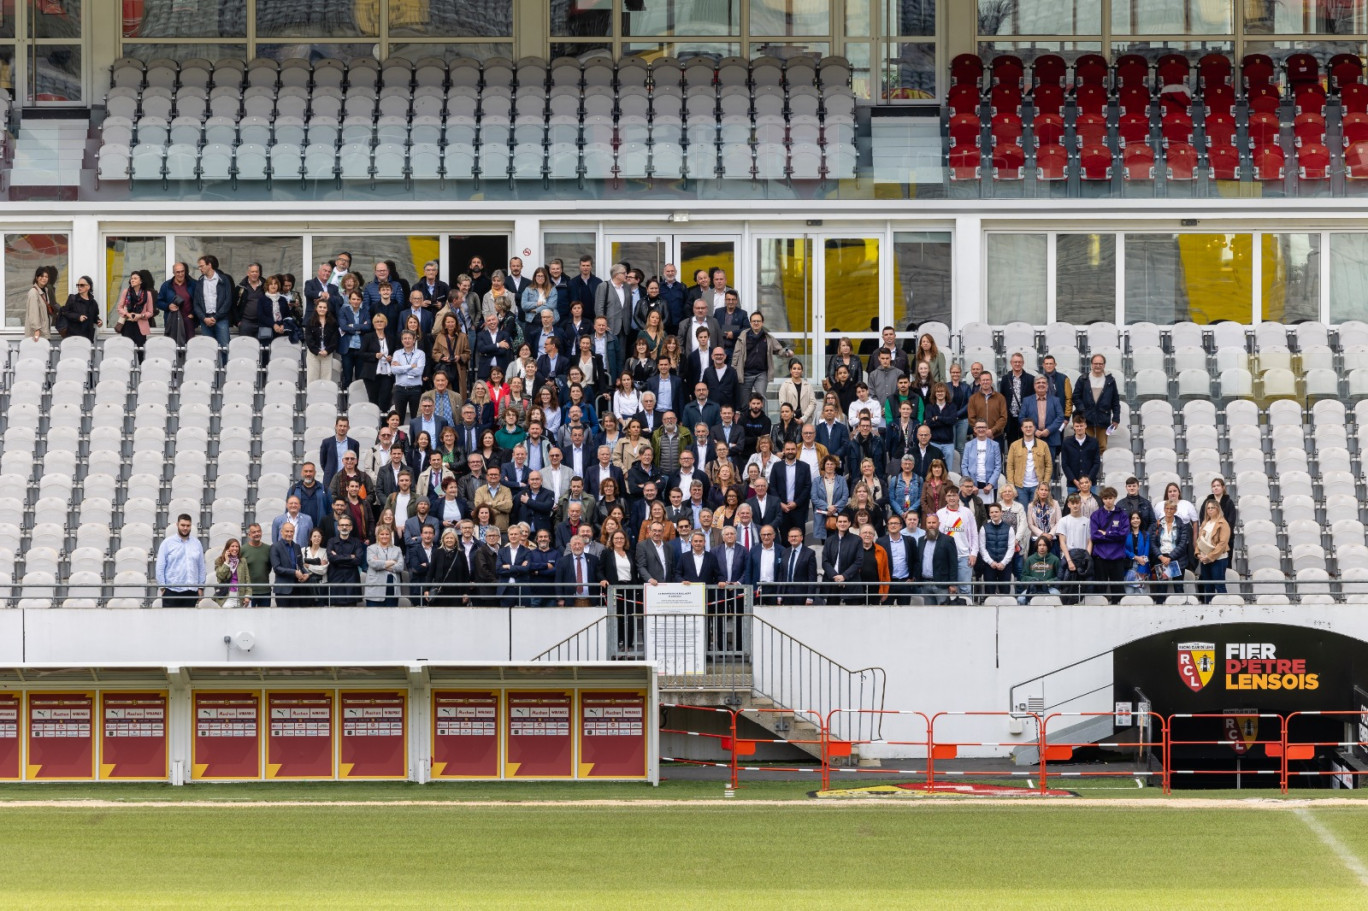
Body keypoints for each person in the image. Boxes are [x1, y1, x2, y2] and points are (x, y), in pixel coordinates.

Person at [936, 487, 979, 605]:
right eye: (949, 496)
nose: (952, 498)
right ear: (945, 498)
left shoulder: (967, 512)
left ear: (958, 497)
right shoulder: (940, 513)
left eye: (954, 495)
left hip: (964, 556)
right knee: (947, 590)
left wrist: (973, 553)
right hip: (946, 558)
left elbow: (974, 534)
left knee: (965, 589)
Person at [1072, 354, 1121, 453]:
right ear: (1091, 365)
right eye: (1095, 363)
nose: (1098, 366)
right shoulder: (1083, 379)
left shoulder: (1110, 381)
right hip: (1085, 418)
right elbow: (1075, 397)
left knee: (1102, 446)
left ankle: (1100, 468)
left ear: (1104, 365)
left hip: (1103, 418)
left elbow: (1115, 400)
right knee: (1086, 446)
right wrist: (1082, 409)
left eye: (1100, 364)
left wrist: (1116, 418)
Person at [155, 514, 205, 608]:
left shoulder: (197, 543)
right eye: (183, 525)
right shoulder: (167, 543)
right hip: (172, 592)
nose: (185, 528)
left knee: (189, 622)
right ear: (177, 524)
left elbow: (201, 566)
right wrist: (163, 588)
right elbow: (160, 567)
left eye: (188, 525)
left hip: (191, 592)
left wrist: (200, 587)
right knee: (170, 622)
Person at [1149, 499, 1192, 600]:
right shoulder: (1157, 524)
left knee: (1178, 587)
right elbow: (1152, 542)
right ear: (1164, 509)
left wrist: (1171, 557)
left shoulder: (1182, 525)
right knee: (1161, 589)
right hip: (1161, 559)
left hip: (1177, 559)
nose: (1169, 511)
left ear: (1175, 510)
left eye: (1171, 509)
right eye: (1167, 508)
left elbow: (1182, 543)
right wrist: (1161, 556)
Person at [913, 514, 958, 605]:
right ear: (925, 524)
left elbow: (953, 563)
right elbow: (918, 561)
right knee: (929, 614)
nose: (931, 525)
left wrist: (952, 584)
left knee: (943, 613)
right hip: (925, 584)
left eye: (934, 522)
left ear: (939, 524)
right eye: (929, 522)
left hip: (941, 585)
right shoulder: (921, 540)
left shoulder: (948, 540)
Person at [1004, 418, 1051, 505]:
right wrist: (1011, 485)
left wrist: (1045, 483)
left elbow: (1049, 465)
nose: (1028, 429)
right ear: (1022, 428)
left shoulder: (1043, 445)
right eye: (1026, 427)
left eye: (1030, 427)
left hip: (1037, 486)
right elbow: (1010, 466)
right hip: (1020, 487)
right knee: (1023, 514)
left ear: (1034, 428)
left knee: (1036, 514)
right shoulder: (1014, 445)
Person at [192, 254, 233, 348]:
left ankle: (225, 363)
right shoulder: (200, 282)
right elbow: (196, 304)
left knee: (224, 347)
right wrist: (204, 318)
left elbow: (228, 301)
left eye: (201, 266)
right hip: (205, 319)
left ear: (209, 265)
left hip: (221, 319)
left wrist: (216, 317)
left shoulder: (223, 280)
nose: (200, 268)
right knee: (209, 348)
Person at [1195, 499, 1231, 603]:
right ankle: (1208, 609)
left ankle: (1223, 609)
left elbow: (1222, 543)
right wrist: (1198, 554)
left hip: (1218, 559)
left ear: (1217, 509)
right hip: (1204, 559)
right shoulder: (1205, 523)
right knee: (1208, 587)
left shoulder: (1223, 523)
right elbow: (1199, 540)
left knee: (1219, 585)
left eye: (1212, 508)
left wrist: (1210, 556)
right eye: (1208, 508)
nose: (1210, 510)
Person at [821, 514, 863, 604]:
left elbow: (858, 561)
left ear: (849, 524)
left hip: (851, 581)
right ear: (836, 524)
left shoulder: (857, 540)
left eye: (845, 522)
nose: (842, 524)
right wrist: (835, 576)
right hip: (832, 581)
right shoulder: (829, 540)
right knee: (831, 614)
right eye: (840, 521)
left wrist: (844, 576)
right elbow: (825, 561)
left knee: (852, 614)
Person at [979, 503, 1016, 600]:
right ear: (989, 514)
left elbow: (1011, 548)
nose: (994, 514)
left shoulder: (1009, 529)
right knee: (989, 593)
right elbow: (982, 548)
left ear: (1001, 513)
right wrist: (990, 562)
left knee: (1005, 593)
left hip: (1005, 565)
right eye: (992, 512)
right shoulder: (984, 528)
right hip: (989, 565)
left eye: (996, 512)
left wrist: (1003, 563)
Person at [960, 420, 1003, 505]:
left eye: (983, 427)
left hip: (989, 485)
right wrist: (970, 485)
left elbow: (998, 466)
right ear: (975, 429)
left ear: (987, 429)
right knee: (973, 511)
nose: (981, 429)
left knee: (989, 512)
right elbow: (964, 466)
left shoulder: (995, 445)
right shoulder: (968, 445)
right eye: (978, 427)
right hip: (973, 485)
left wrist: (991, 484)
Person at [115, 269, 156, 355]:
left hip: (141, 325)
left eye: (135, 278)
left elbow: (150, 312)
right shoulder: (126, 292)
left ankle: (141, 367)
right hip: (128, 325)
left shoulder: (147, 294)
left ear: (141, 281)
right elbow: (119, 308)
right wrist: (127, 314)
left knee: (140, 351)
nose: (132, 280)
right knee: (127, 350)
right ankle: (129, 367)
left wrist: (140, 316)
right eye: (131, 278)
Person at [326, 518, 366, 606]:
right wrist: (350, 556)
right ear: (338, 527)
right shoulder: (331, 541)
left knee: (352, 613)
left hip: (351, 580)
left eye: (347, 525)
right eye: (342, 525)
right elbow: (331, 559)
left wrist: (338, 557)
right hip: (336, 579)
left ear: (351, 528)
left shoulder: (356, 542)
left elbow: (358, 560)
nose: (344, 527)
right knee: (336, 613)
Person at [270, 521, 309, 608]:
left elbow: (300, 565)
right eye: (287, 531)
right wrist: (294, 572)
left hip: (297, 588)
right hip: (283, 590)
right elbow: (277, 568)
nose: (289, 533)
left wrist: (306, 573)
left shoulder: (297, 547)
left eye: (291, 531)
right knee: (283, 618)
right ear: (281, 532)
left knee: (296, 618)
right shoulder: (275, 547)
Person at [555, 534, 600, 607]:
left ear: (584, 545)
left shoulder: (593, 559)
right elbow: (558, 580)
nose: (577, 546)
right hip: (570, 600)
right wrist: (560, 599)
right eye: (575, 544)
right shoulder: (563, 561)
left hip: (591, 600)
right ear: (571, 546)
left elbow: (598, 577)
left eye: (579, 544)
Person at [157, 262, 196, 343]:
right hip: (172, 321)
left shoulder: (193, 284)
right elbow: (158, 302)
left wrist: (193, 314)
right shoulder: (166, 285)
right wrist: (168, 306)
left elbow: (198, 302)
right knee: (172, 346)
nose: (181, 274)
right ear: (173, 273)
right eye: (178, 272)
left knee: (189, 346)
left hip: (188, 321)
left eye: (182, 271)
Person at [1060, 414, 1100, 493]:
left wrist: (1087, 481)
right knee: (1072, 505)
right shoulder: (1066, 442)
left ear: (1085, 426)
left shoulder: (1094, 442)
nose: (1079, 428)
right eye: (1077, 426)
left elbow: (1096, 463)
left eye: (1081, 426)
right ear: (1074, 427)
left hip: (1090, 484)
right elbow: (1065, 464)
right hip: (1073, 484)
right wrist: (1075, 481)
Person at [1017, 536, 1062, 604]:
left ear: (1048, 546)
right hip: (1032, 588)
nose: (1042, 547)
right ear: (1037, 546)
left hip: (1049, 588)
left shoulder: (1055, 559)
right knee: (1020, 599)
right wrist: (1033, 580)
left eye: (1044, 545)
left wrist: (1048, 582)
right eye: (1040, 545)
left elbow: (1059, 577)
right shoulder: (1030, 559)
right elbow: (1023, 577)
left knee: (1056, 595)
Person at [855, 524, 890, 605]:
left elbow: (886, 573)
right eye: (865, 532)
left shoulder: (881, 550)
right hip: (857, 590)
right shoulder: (854, 549)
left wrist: (885, 591)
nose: (867, 535)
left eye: (870, 533)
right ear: (860, 535)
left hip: (875, 590)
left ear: (874, 535)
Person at [59, 276, 102, 342]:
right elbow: (65, 312)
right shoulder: (73, 298)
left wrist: (98, 321)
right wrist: (78, 317)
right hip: (74, 336)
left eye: (82, 285)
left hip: (88, 338)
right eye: (78, 285)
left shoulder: (93, 303)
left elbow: (94, 316)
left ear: (88, 286)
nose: (79, 287)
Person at [214, 538, 253, 608]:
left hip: (241, 596)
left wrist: (247, 596)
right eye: (232, 546)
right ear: (227, 548)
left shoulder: (242, 561)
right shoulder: (219, 560)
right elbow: (220, 576)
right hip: (227, 598)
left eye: (237, 546)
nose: (235, 548)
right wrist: (226, 562)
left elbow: (247, 580)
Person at [299, 527, 329, 606]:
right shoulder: (303, 550)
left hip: (321, 585)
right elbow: (300, 567)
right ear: (310, 538)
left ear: (322, 538)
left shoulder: (325, 551)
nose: (317, 538)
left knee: (320, 608)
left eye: (319, 536)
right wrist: (317, 565)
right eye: (314, 536)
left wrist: (308, 566)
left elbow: (323, 570)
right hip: (306, 585)